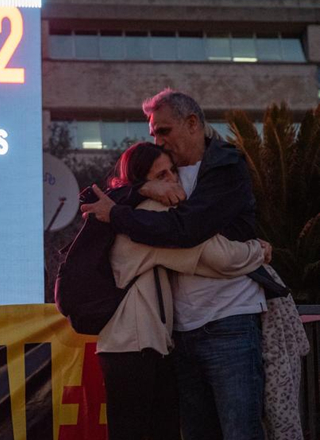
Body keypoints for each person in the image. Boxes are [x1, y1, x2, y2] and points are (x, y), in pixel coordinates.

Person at [82, 89, 286, 440]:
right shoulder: (152, 188)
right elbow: (112, 196)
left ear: (192, 123)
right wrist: (257, 252)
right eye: (153, 134)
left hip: (229, 322)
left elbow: (188, 231)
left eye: (164, 131)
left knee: (240, 431)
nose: (158, 141)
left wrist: (122, 210)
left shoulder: (225, 166)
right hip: (179, 334)